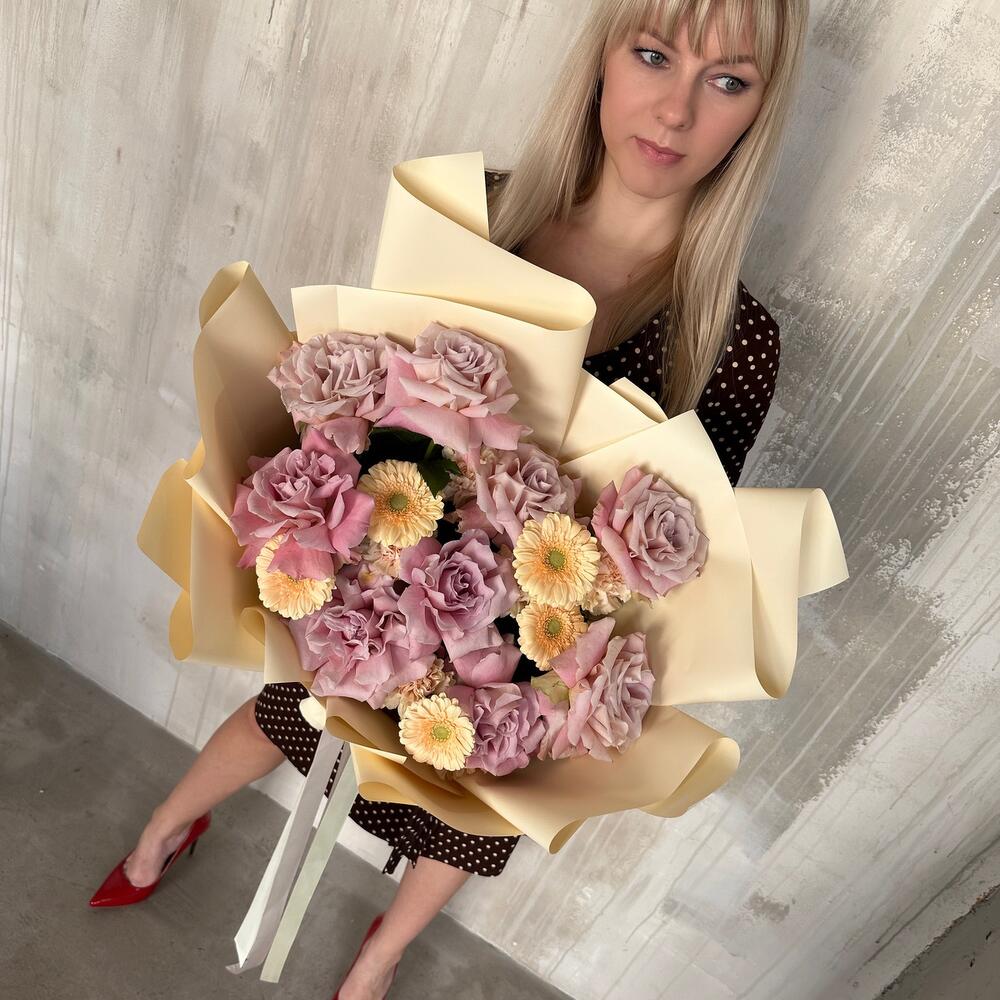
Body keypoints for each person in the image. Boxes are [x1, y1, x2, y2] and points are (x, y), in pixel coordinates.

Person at [91, 2, 807, 998]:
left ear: (759, 111)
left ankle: (377, 957)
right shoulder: (482, 218)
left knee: (481, 814)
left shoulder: (733, 338)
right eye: (653, 55)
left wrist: (541, 644)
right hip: (377, 582)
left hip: (533, 651)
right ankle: (166, 827)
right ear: (604, 59)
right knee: (285, 710)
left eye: (727, 81)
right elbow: (360, 398)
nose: (676, 110)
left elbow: (682, 563)